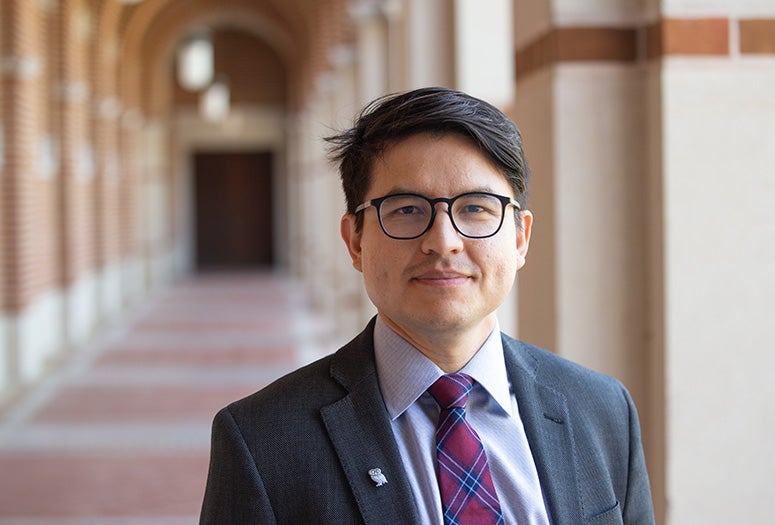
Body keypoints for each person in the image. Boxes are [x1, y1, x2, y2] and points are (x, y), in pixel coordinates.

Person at [199, 87, 655, 524]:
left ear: (520, 238)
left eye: (476, 208)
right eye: (407, 209)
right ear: (354, 240)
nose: (443, 242)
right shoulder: (263, 441)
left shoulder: (601, 409)